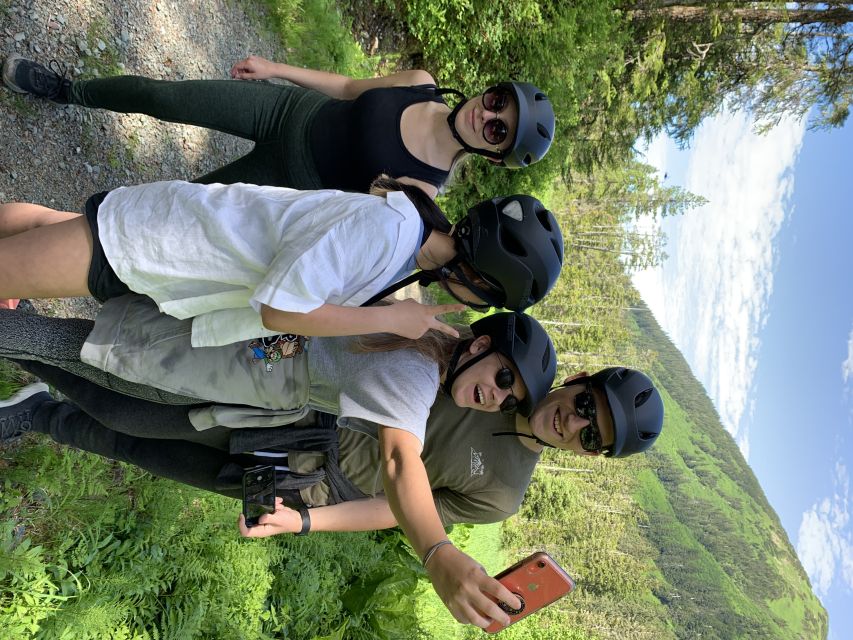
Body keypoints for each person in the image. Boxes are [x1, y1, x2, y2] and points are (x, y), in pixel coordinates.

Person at [0, 336, 663, 630]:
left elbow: (395, 510)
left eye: (592, 437)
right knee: (129, 405)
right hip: (298, 410)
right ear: (577, 382)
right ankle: (28, 341)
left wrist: (306, 522)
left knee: (142, 451)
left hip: (310, 485)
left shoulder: (504, 494)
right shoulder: (503, 362)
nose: (574, 424)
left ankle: (38, 413)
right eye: (585, 406)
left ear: (591, 455)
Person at [0, 179, 563, 346]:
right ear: (478, 274)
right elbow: (279, 310)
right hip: (155, 241)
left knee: (42, 226)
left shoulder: (403, 245)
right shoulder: (386, 232)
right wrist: (392, 319)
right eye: (488, 297)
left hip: (173, 239)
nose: (473, 309)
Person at [2, 54, 556, 198]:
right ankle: (66, 89)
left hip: (285, 179)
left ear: (494, 154)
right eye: (497, 101)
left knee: (175, 202)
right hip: (286, 111)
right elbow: (345, 88)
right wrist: (273, 70)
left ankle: (54, 237)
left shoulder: (423, 188)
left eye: (498, 129)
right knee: (162, 96)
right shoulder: (419, 80)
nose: (488, 115)